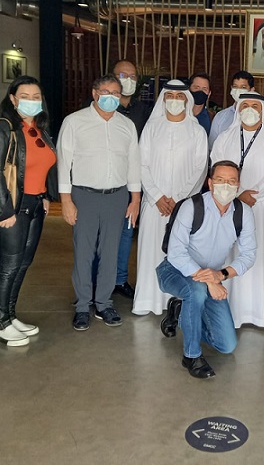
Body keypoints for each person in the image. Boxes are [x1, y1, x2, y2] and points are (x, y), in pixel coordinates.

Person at [57, 75, 142, 331]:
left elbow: (134, 163)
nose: (111, 97)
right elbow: (64, 162)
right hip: (84, 195)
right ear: (95, 93)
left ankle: (104, 303)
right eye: (106, 92)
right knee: (84, 252)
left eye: (116, 93)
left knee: (110, 251)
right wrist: (66, 199)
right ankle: (83, 306)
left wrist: (135, 198)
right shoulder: (74, 122)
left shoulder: (126, 125)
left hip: (117, 196)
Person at [156, 161, 256, 379]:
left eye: (231, 181)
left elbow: (249, 255)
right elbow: (175, 253)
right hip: (173, 271)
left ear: (238, 185)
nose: (226, 186)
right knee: (197, 291)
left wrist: (220, 275)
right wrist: (211, 281)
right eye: (220, 180)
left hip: (212, 276)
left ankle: (180, 313)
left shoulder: (243, 212)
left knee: (227, 345)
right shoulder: (191, 207)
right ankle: (191, 356)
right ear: (210, 183)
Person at [0, 76, 58, 347]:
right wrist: (5, 210)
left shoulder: (40, 129)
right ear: (13, 99)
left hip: (35, 205)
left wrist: (45, 196)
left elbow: (42, 168)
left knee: (23, 263)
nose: (31, 101)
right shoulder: (2, 128)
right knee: (9, 265)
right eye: (25, 96)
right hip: (12, 206)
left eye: (36, 96)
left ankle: (10, 316)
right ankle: (0, 323)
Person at [133, 80, 208, 316]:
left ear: (187, 99)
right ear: (163, 99)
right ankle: (148, 301)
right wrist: (156, 196)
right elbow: (141, 163)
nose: (175, 100)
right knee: (152, 250)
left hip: (184, 205)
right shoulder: (151, 128)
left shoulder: (196, 130)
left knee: (181, 251)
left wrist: (178, 199)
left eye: (180, 96)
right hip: (153, 204)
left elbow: (200, 168)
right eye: (170, 96)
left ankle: (178, 302)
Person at [211, 93, 264, 327]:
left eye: (255, 105)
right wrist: (235, 195)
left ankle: (261, 313)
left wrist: (252, 195)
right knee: (231, 254)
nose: (250, 109)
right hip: (228, 204)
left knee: (261, 255)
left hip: (263, 206)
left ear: (263, 109)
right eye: (245, 105)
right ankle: (230, 310)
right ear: (238, 109)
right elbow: (216, 168)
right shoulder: (225, 137)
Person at [109, 59, 152, 300]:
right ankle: (96, 283)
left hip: (132, 182)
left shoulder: (143, 111)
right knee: (101, 236)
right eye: (123, 76)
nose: (129, 81)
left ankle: (120, 279)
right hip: (105, 182)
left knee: (126, 233)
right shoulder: (101, 106)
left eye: (133, 77)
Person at [208, 71, 254, 149]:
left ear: (251, 90)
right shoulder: (220, 117)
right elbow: (212, 146)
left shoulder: (258, 117)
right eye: (235, 86)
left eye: (243, 87)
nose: (238, 90)